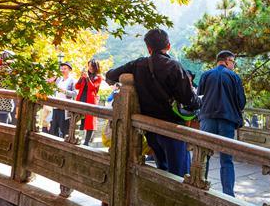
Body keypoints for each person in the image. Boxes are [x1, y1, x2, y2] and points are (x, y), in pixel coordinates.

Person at [105, 28, 200, 178]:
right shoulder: (174, 66)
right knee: (179, 175)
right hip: (172, 129)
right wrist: (200, 101)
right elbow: (189, 100)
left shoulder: (138, 64)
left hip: (150, 128)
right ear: (168, 46)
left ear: (148, 48)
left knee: (162, 170)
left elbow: (111, 75)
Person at [197, 50, 247, 196]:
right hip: (227, 120)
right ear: (226, 61)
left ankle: (200, 186)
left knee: (204, 156)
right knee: (226, 159)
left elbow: (199, 96)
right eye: (233, 62)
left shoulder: (206, 75)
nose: (233, 65)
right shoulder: (234, 77)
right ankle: (228, 194)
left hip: (207, 119)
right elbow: (241, 102)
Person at [75, 59, 103, 146]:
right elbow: (77, 86)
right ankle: (77, 138)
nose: (90, 68)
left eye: (92, 66)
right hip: (81, 98)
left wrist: (87, 78)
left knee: (90, 121)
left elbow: (92, 88)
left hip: (90, 101)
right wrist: (81, 77)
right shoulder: (85, 75)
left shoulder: (98, 77)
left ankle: (86, 142)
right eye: (89, 66)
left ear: (96, 67)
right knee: (79, 119)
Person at [51, 62, 76, 137]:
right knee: (54, 129)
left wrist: (65, 91)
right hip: (56, 107)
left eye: (65, 69)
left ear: (69, 70)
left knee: (64, 130)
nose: (62, 70)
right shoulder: (58, 79)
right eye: (61, 69)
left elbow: (75, 93)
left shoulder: (72, 80)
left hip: (65, 109)